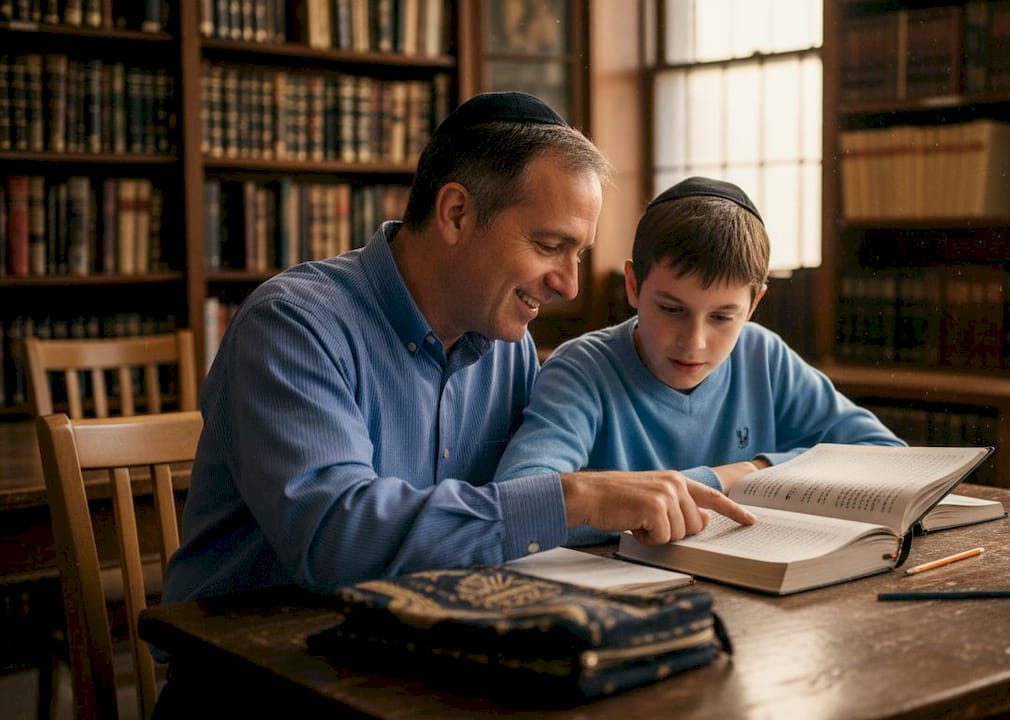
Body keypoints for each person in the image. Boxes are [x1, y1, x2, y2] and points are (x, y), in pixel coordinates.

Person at [160, 94, 756, 612]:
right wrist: (575, 495)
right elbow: (335, 539)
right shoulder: (293, 325)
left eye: (579, 254)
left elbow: (516, 518)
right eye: (552, 246)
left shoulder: (510, 346)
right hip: (256, 676)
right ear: (456, 213)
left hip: (425, 655)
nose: (570, 285)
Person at [493, 176, 905, 545]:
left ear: (754, 303)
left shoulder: (764, 355)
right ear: (634, 286)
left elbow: (887, 457)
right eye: (671, 309)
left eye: (723, 317)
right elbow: (518, 500)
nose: (694, 342)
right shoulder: (581, 370)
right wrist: (723, 480)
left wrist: (755, 469)